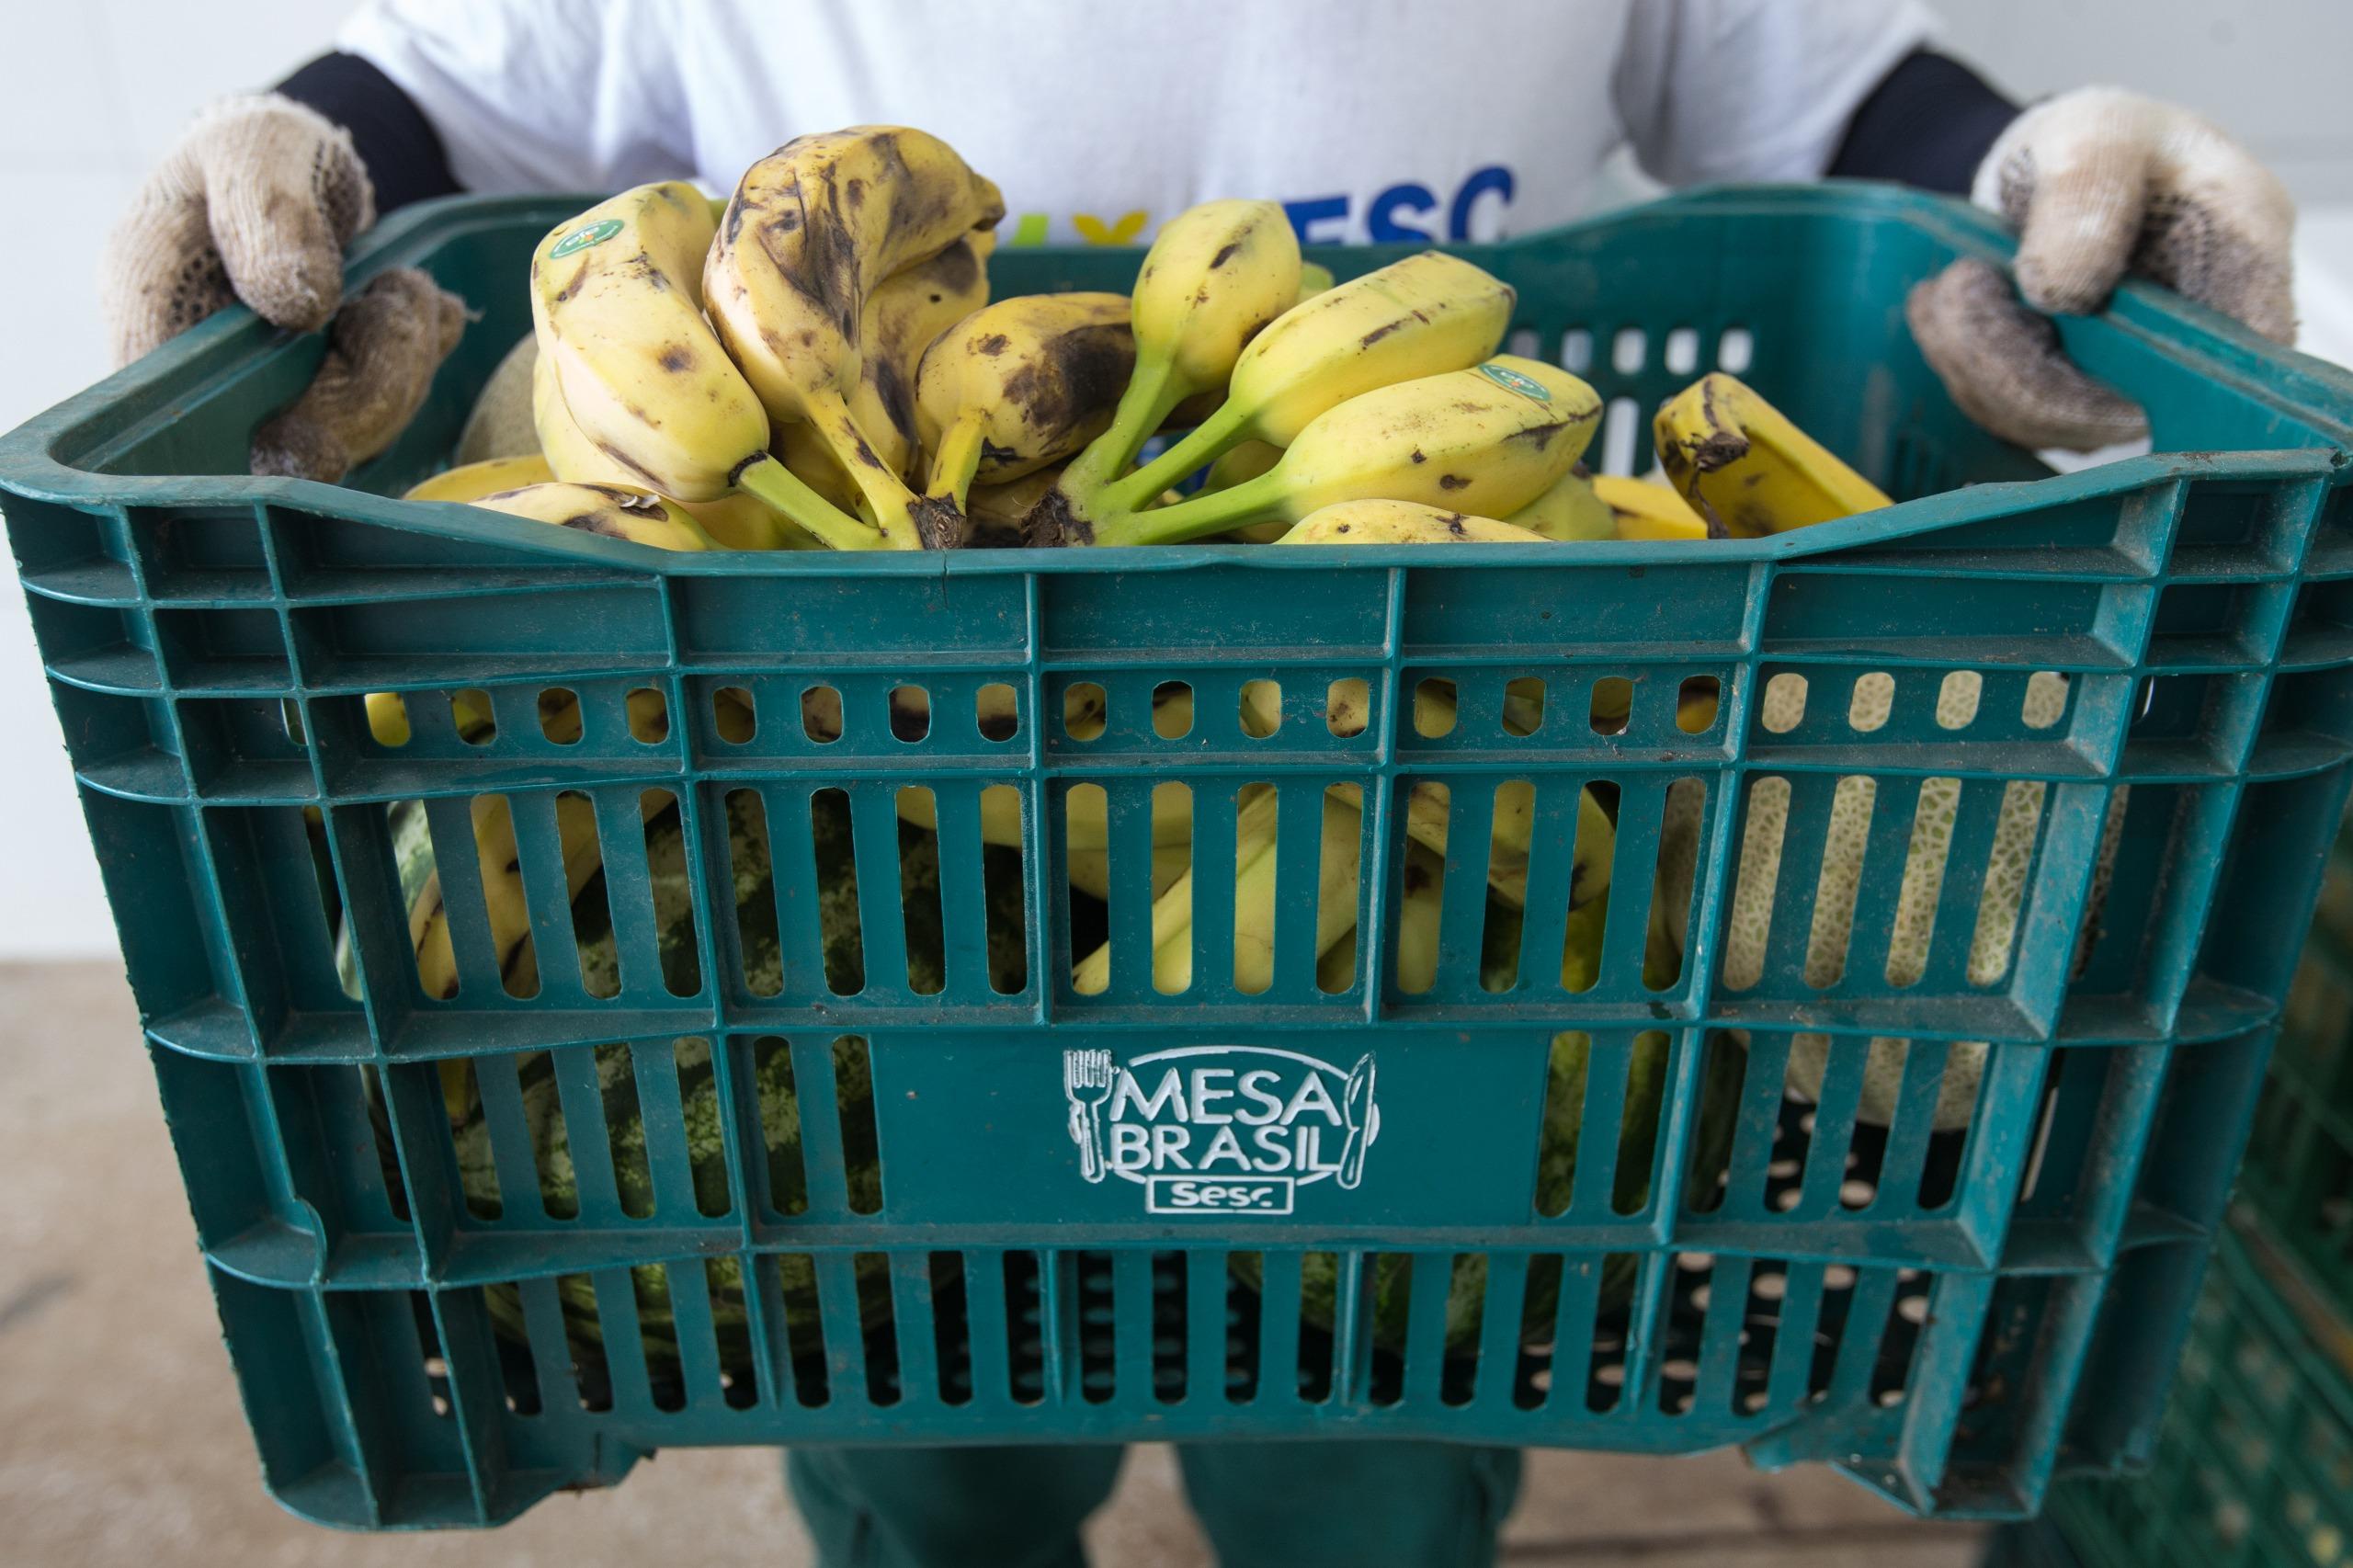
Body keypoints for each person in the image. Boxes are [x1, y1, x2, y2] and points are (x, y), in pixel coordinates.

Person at [94, 4, 2298, 1564]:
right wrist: (289, 148)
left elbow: (1833, 86)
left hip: (1422, 746)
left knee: (1367, 1418)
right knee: (916, 1408)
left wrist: (2041, 166)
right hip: (826, 785)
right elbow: (469, 83)